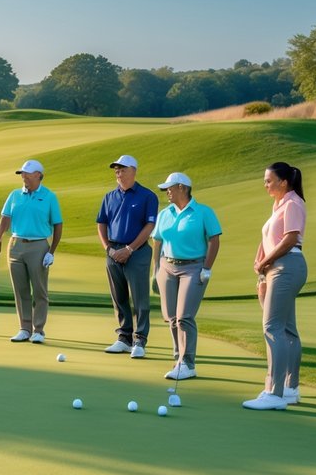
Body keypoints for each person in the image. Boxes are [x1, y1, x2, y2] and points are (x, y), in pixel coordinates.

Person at [243, 162, 307, 411]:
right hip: (279, 268)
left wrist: (266, 262)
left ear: (283, 182)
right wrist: (262, 270)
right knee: (288, 329)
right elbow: (269, 239)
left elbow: (290, 238)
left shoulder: (293, 203)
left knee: (272, 327)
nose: (265, 184)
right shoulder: (279, 205)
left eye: (269, 180)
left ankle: (274, 391)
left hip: (286, 267)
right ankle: (290, 389)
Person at [150, 172, 222, 382]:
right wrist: (156, 269)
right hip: (167, 267)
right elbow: (157, 241)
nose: (167, 193)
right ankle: (178, 360)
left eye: (170, 188)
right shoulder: (165, 213)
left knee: (184, 317)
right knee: (172, 318)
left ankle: (188, 363)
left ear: (182, 187)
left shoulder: (203, 212)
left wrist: (207, 268)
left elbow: (214, 240)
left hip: (193, 267)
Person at [95, 155, 159, 359]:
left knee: (140, 298)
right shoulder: (109, 196)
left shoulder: (147, 196)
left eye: (122, 169)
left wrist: (130, 249)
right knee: (119, 296)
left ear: (133, 171)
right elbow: (101, 223)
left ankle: (139, 340)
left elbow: (149, 226)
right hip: (113, 251)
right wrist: (108, 248)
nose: (118, 173)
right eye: (116, 170)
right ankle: (124, 337)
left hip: (137, 252)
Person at [0, 160, 63, 344]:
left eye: (28, 173)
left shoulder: (49, 196)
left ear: (38, 175)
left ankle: (38, 330)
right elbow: (4, 219)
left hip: (39, 246)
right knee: (21, 290)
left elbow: (58, 224)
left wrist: (52, 251)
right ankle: (24, 328)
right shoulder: (15, 195)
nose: (24, 176)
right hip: (16, 245)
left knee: (39, 291)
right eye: (22, 174)